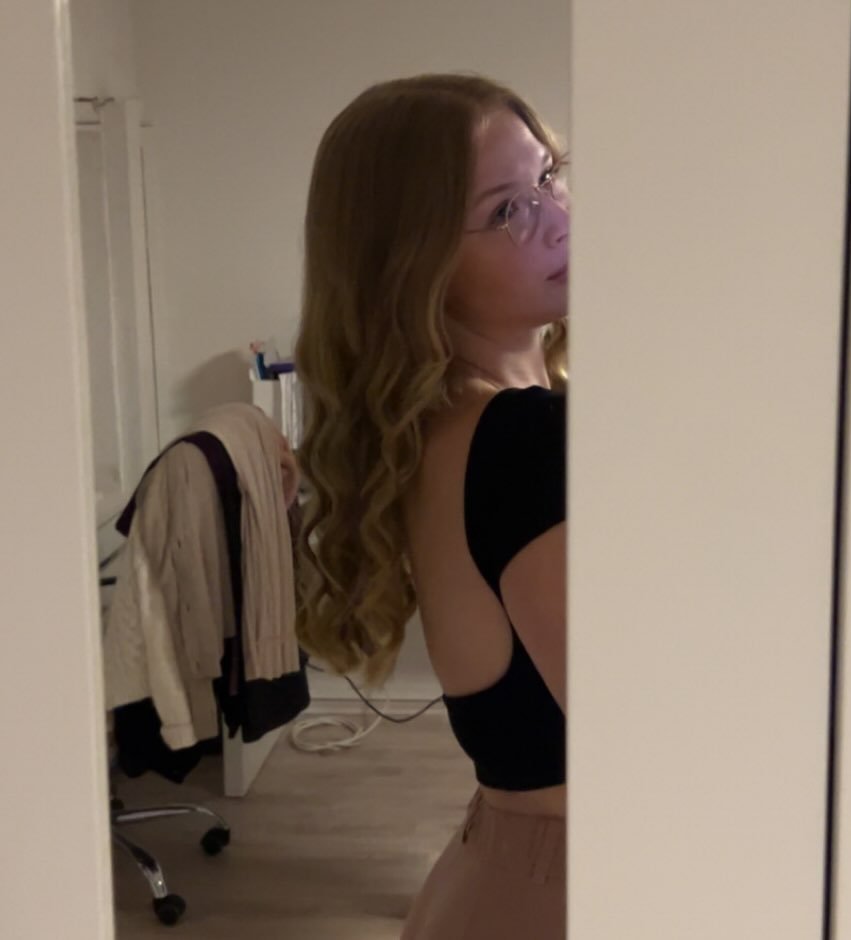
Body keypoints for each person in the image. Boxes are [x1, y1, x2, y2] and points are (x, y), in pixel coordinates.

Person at [293, 73, 569, 939]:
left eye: (549, 177)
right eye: (507, 210)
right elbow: (653, 733)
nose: (559, 218)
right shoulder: (523, 440)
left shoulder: (448, 423)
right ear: (416, 267)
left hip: (506, 874)